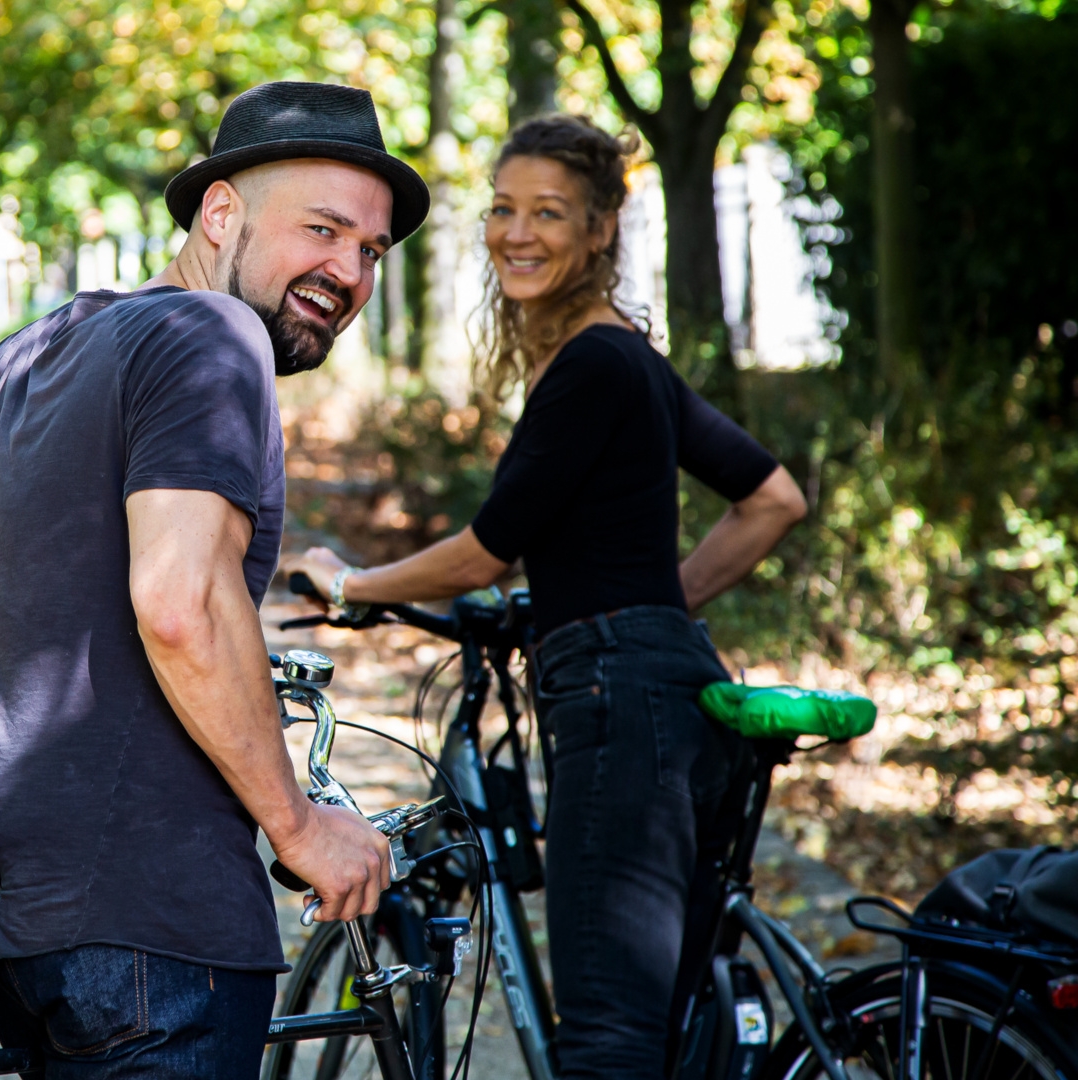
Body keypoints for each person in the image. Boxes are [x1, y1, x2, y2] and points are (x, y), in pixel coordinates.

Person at [0, 81, 426, 1078]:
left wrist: (68, 615)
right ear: (222, 214)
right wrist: (299, 827)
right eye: (324, 230)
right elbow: (181, 606)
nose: (347, 271)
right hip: (151, 929)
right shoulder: (215, 339)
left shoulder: (33, 348)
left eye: (371, 252)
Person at [283, 115, 809, 1079]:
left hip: (618, 704)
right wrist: (654, 607)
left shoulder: (593, 365)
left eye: (550, 213)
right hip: (678, 694)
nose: (516, 233)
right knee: (661, 1030)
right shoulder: (630, 359)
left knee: (606, 1038)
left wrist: (350, 584)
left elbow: (487, 551)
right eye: (502, 209)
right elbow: (773, 500)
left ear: (602, 229)